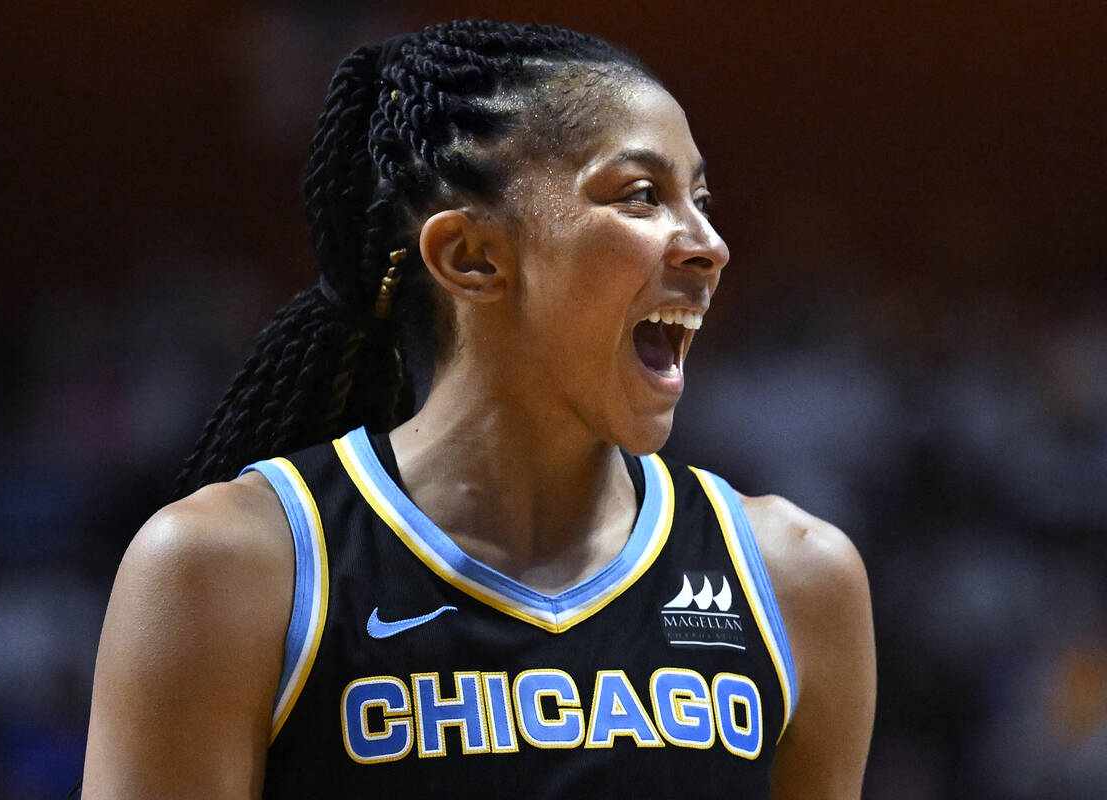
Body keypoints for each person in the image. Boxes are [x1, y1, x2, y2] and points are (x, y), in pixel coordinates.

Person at [82, 19, 875, 798]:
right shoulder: (230, 571)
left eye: (698, 198)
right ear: (470, 256)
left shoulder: (796, 578)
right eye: (642, 195)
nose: (709, 243)